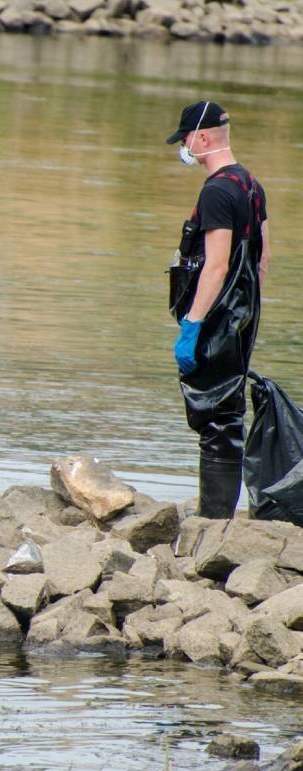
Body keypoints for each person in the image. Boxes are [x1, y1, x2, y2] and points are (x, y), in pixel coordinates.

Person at [165, 101, 270, 518]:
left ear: (203, 138)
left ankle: (212, 521)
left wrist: (193, 323)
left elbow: (218, 263)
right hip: (243, 315)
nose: (185, 147)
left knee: (214, 421)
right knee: (227, 416)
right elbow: (262, 260)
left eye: (186, 139)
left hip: (217, 317)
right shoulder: (250, 185)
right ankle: (219, 516)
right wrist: (247, 316)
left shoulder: (216, 191)